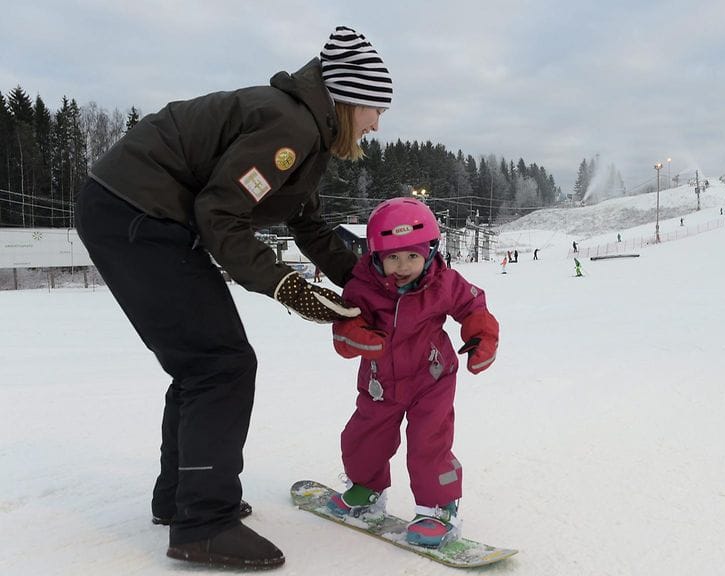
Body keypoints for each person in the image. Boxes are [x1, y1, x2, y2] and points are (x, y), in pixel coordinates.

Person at [74, 25, 393, 569]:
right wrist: (292, 289)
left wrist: (367, 283)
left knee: (204, 363)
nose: (375, 124)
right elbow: (220, 215)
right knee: (220, 364)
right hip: (136, 214)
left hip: (135, 213)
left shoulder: (301, 132)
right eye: (372, 109)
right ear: (344, 100)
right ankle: (202, 523)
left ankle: (183, 500)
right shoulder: (289, 128)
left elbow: (308, 224)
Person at [328, 197, 499, 549]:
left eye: (412, 256)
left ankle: (439, 509)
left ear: (430, 252)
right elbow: (345, 327)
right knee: (363, 436)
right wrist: (356, 336)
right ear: (376, 256)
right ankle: (367, 488)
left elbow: (473, 307)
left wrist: (482, 335)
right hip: (380, 384)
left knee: (429, 441)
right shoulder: (361, 289)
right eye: (392, 257)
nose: (403, 266)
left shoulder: (444, 282)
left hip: (431, 378)